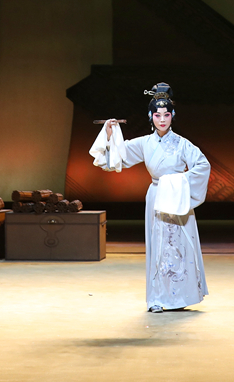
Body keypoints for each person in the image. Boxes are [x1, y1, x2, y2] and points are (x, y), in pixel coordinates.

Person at [92, 83, 210, 313]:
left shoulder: (182, 144)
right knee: (158, 246)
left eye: (166, 114)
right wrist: (109, 134)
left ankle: (181, 297)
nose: (162, 119)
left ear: (173, 115)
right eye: (157, 115)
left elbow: (202, 165)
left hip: (176, 197)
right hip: (157, 196)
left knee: (180, 245)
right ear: (150, 116)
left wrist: (178, 182)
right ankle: (157, 298)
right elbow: (117, 157)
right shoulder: (145, 143)